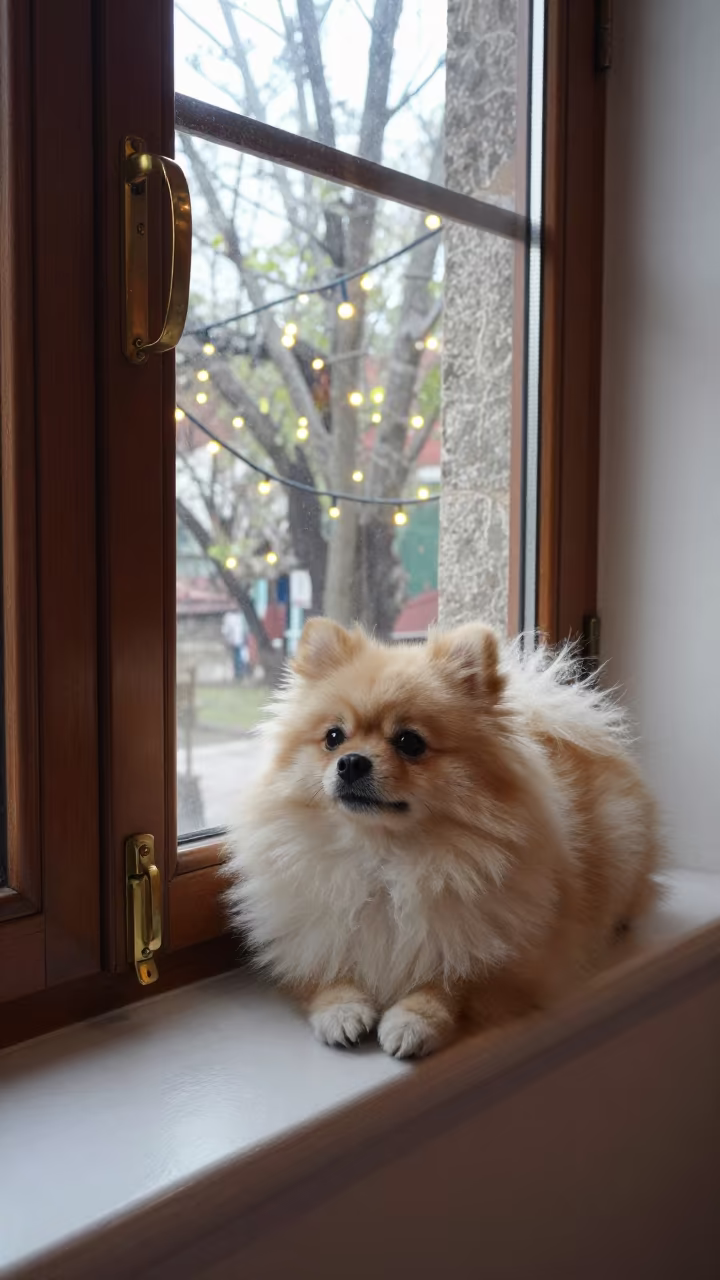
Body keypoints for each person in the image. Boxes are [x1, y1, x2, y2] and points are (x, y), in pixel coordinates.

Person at [221, 609, 248, 681]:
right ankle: (237, 675)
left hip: (241, 641)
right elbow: (226, 630)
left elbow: (245, 629)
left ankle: (240, 674)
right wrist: (227, 640)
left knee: (242, 658)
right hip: (232, 642)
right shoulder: (228, 616)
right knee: (235, 659)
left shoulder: (242, 615)